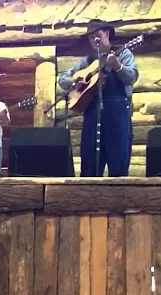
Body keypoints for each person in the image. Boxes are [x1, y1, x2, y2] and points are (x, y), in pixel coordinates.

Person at [58, 19, 138, 177]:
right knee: (89, 164)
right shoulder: (88, 61)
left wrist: (117, 66)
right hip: (93, 116)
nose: (94, 40)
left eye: (97, 36)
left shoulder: (123, 54)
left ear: (107, 34)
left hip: (118, 116)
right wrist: (75, 81)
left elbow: (132, 77)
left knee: (118, 164)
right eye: (90, 38)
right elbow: (62, 80)